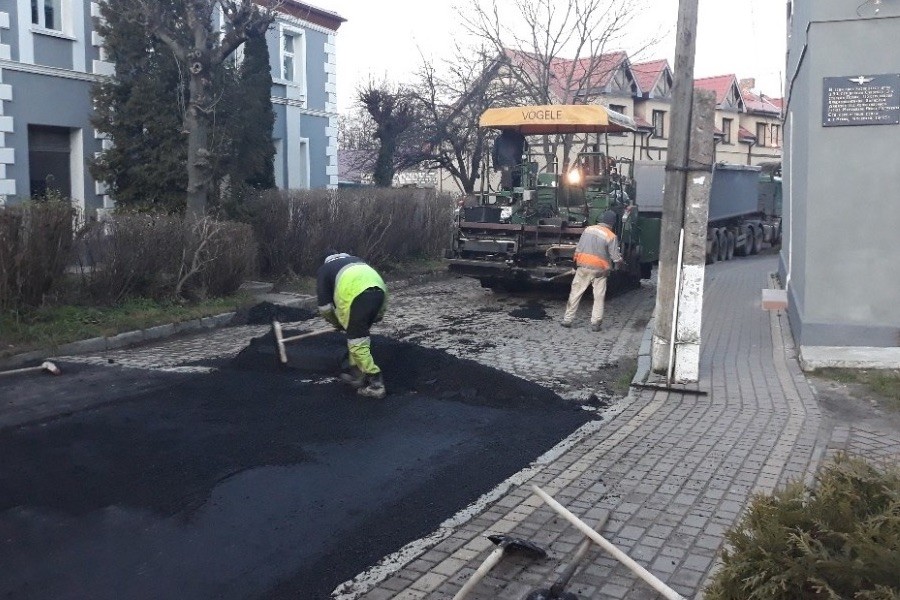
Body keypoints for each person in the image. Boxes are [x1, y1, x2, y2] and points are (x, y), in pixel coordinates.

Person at [317, 250, 389, 399]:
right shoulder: (356, 259)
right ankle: (357, 374)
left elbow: (325, 308)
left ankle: (375, 383)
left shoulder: (324, 270)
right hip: (380, 291)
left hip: (356, 295)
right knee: (356, 336)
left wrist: (336, 323)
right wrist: (378, 314)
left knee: (356, 341)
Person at [561, 211, 623, 332]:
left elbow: (578, 248)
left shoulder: (588, 230)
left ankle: (567, 320)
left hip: (583, 266)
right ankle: (596, 323)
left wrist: (575, 264)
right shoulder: (611, 236)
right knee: (599, 296)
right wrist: (620, 261)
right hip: (599, 270)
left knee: (575, 293)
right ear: (612, 223)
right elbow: (615, 257)